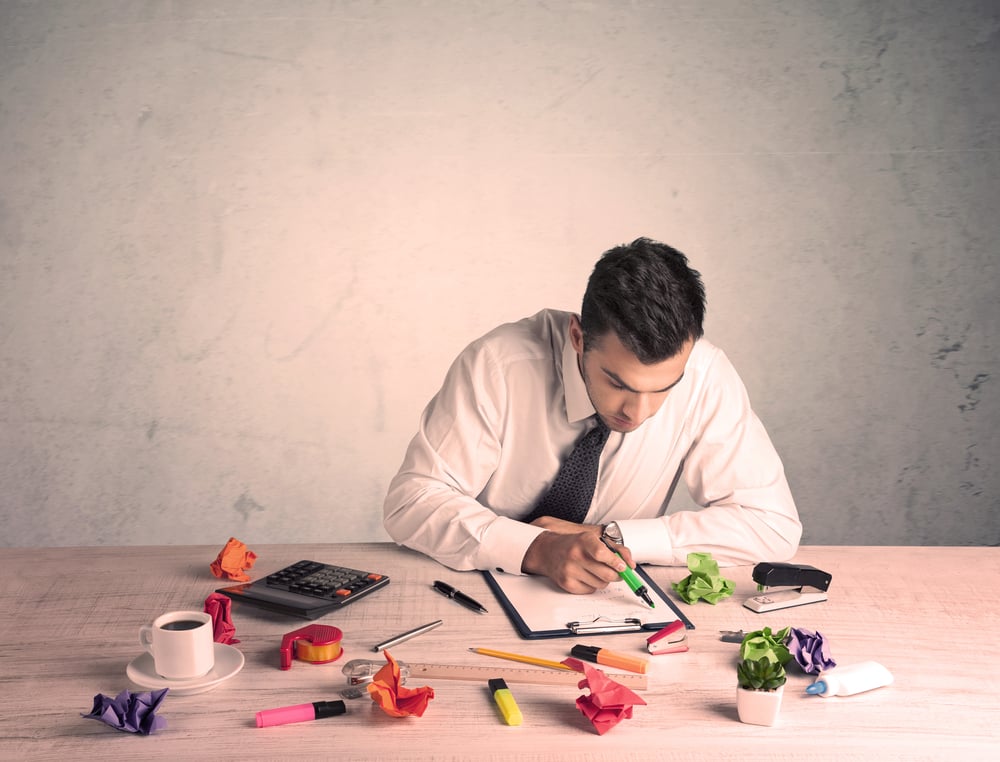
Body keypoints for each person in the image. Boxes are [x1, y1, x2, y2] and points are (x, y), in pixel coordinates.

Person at [383, 237, 801, 594]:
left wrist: (613, 536)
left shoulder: (706, 374)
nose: (638, 412)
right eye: (619, 384)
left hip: (611, 604)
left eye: (663, 389)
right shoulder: (498, 364)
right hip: (481, 590)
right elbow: (412, 501)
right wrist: (536, 548)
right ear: (578, 337)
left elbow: (772, 525)